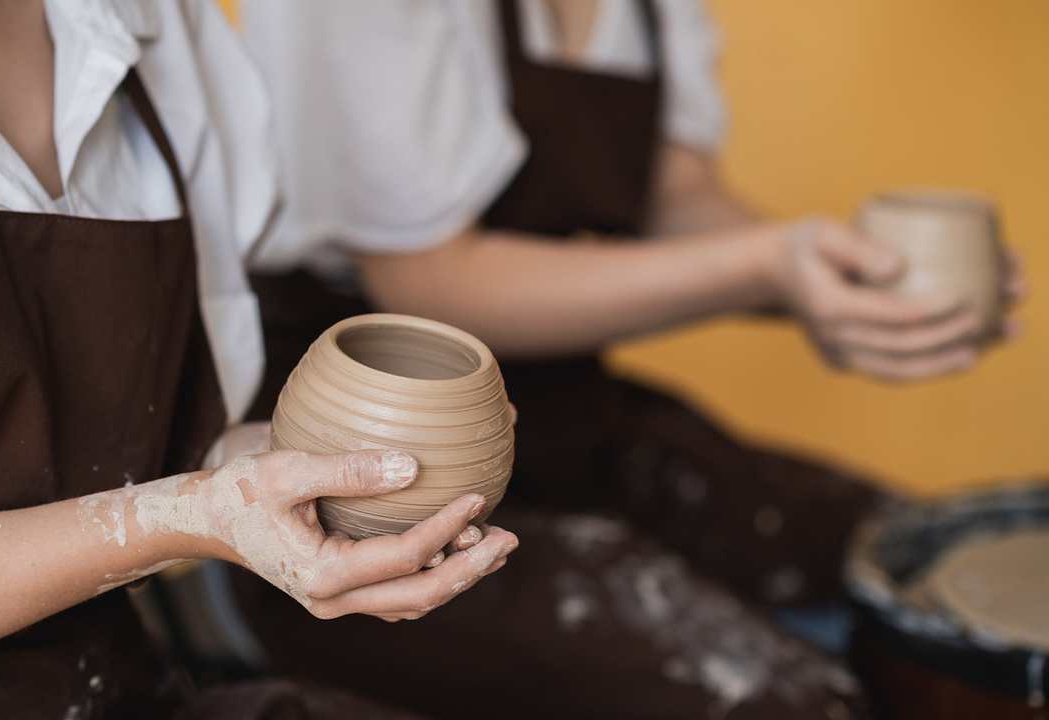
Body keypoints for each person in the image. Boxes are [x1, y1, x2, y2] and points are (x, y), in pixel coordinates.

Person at [220, 0, 1024, 717]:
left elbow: (674, 196)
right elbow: (430, 280)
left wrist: (844, 285)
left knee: (914, 561)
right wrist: (772, 265)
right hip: (378, 480)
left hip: (569, 411)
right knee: (782, 698)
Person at [0, 1, 518, 717]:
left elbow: (173, 455)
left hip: (111, 681)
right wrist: (183, 519)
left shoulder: (147, 16)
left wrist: (345, 473)